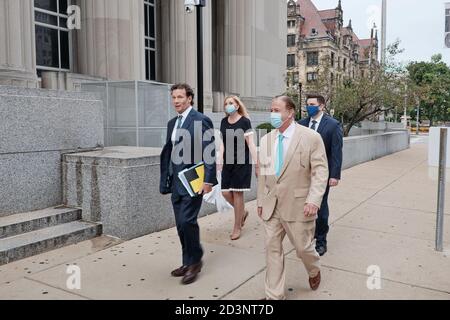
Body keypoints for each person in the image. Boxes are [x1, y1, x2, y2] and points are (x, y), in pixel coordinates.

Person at [257, 96, 329, 300]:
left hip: (299, 205)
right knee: (272, 249)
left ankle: (313, 270)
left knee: (303, 248)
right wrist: (261, 201)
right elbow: (263, 174)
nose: (273, 114)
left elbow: (320, 171)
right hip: (272, 205)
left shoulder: (310, 137)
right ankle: (274, 296)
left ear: (290, 112)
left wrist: (314, 200)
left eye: (277, 110)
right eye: (271, 109)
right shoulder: (266, 140)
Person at [160, 83, 217, 285]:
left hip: (194, 181)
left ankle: (195, 261)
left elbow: (209, 152)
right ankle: (187, 262)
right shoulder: (172, 123)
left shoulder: (201, 120)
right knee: (180, 225)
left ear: (190, 98)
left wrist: (208, 180)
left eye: (180, 97)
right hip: (175, 182)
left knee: (187, 221)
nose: (176, 101)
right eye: (174, 97)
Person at [299, 94, 343, 256]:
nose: (309, 107)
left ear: (322, 106)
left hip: (322, 175)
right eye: (307, 104)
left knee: (320, 206)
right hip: (303, 174)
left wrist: (335, 175)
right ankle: (307, 236)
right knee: (304, 205)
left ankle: (321, 240)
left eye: (312, 104)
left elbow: (336, 152)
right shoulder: (301, 124)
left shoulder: (333, 125)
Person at [217, 96, 259, 240]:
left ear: (237, 105)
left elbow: (251, 144)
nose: (228, 105)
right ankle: (243, 212)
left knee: (237, 193)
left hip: (242, 162)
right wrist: (219, 158)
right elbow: (222, 142)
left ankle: (237, 227)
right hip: (227, 162)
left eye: (231, 103)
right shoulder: (223, 122)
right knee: (225, 193)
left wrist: (257, 163)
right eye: (226, 103)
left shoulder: (244, 121)